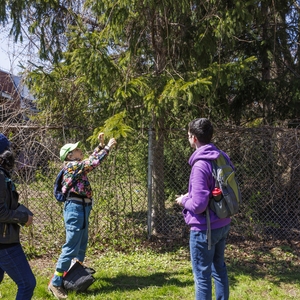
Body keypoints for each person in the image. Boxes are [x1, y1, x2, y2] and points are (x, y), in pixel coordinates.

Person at [48, 132, 117, 299]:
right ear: (70, 155)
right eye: (77, 149)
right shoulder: (71, 166)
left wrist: (99, 146)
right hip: (75, 208)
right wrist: (107, 147)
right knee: (71, 246)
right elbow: (93, 162)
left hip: (83, 207)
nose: (80, 150)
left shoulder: (76, 166)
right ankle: (56, 282)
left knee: (81, 245)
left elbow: (89, 160)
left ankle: (72, 278)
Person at [175, 118, 231, 300]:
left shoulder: (200, 165)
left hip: (204, 230)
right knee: (219, 269)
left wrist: (184, 200)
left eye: (188, 135)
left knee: (202, 277)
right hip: (223, 222)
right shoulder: (222, 157)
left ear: (194, 138)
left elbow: (198, 206)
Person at [0, 133, 36, 299]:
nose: (11, 153)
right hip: (4, 242)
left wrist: (22, 209)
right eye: (8, 148)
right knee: (27, 283)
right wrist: (23, 217)